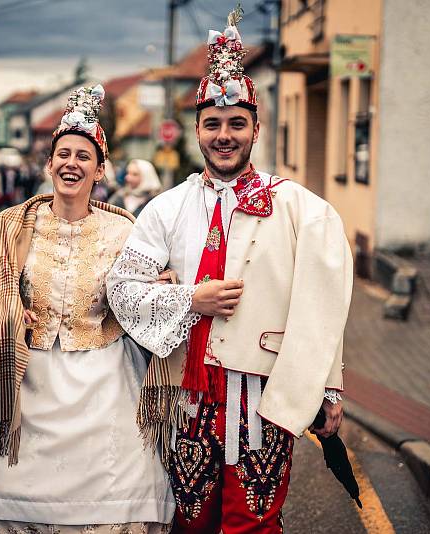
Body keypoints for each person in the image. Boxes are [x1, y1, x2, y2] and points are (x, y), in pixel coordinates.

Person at [107, 7, 353, 533]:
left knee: (256, 526)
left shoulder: (298, 208)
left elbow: (321, 303)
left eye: (237, 124)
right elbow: (122, 289)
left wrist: (327, 389)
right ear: (196, 129)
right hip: (188, 399)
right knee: (192, 525)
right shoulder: (166, 209)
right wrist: (190, 299)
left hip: (264, 397)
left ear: (255, 129)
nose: (225, 135)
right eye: (213, 124)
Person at [0, 84, 174, 533]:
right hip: (24, 381)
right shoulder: (11, 225)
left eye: (83, 156)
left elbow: (143, 295)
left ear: (100, 169)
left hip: (105, 381)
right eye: (64, 154)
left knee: (110, 497)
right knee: (0, 496)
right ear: (49, 163)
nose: (72, 163)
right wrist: (11, 309)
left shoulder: (126, 229)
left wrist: (163, 288)